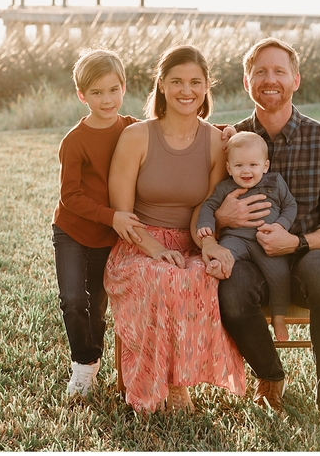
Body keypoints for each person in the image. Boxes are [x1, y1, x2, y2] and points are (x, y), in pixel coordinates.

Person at [203, 37, 320, 427]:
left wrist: (298, 241)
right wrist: (221, 218)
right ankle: (270, 375)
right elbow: (205, 205)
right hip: (249, 255)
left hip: (307, 255)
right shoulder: (228, 141)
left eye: (279, 71)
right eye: (260, 72)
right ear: (246, 81)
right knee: (232, 288)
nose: (269, 80)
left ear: (296, 80)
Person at [104, 45, 246, 414]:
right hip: (137, 245)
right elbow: (122, 213)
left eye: (196, 82)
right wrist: (154, 248)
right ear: (162, 86)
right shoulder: (137, 136)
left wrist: (209, 243)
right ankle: (162, 382)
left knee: (204, 275)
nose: (187, 90)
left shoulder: (216, 141)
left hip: (191, 242)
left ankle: (179, 380)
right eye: (177, 81)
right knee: (164, 277)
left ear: (206, 88)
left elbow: (208, 207)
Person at [52, 48, 147, 397]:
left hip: (110, 235)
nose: (107, 100)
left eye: (113, 90)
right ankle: (84, 365)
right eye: (96, 92)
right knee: (74, 299)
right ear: (82, 95)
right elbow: (70, 197)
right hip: (73, 231)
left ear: (124, 87)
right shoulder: (74, 141)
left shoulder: (135, 129)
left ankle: (92, 358)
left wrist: (223, 130)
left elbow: (175, 134)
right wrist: (112, 216)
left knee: (98, 305)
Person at [196, 131, 298, 341]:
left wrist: (280, 226)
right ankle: (220, 266)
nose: (246, 171)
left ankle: (278, 316)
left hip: (268, 241)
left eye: (253, 165)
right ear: (229, 168)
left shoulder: (275, 182)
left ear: (265, 166)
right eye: (239, 165)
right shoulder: (225, 187)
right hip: (237, 238)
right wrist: (206, 225)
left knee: (280, 273)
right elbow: (208, 206)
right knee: (226, 252)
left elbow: (290, 205)